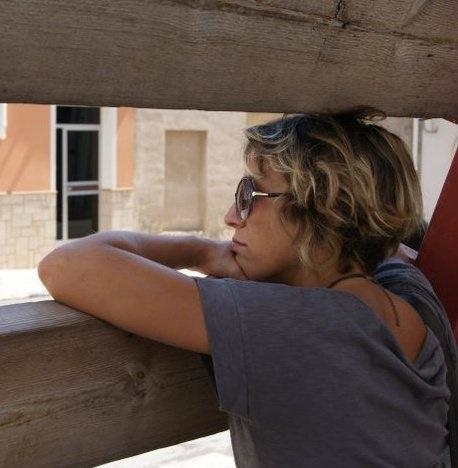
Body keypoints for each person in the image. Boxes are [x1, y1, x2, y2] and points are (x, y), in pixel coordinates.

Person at [38, 108, 454, 467]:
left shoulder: (289, 324)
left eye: (250, 193)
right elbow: (392, 249)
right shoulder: (407, 297)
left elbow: (67, 266)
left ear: (324, 206)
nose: (230, 216)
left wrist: (203, 252)